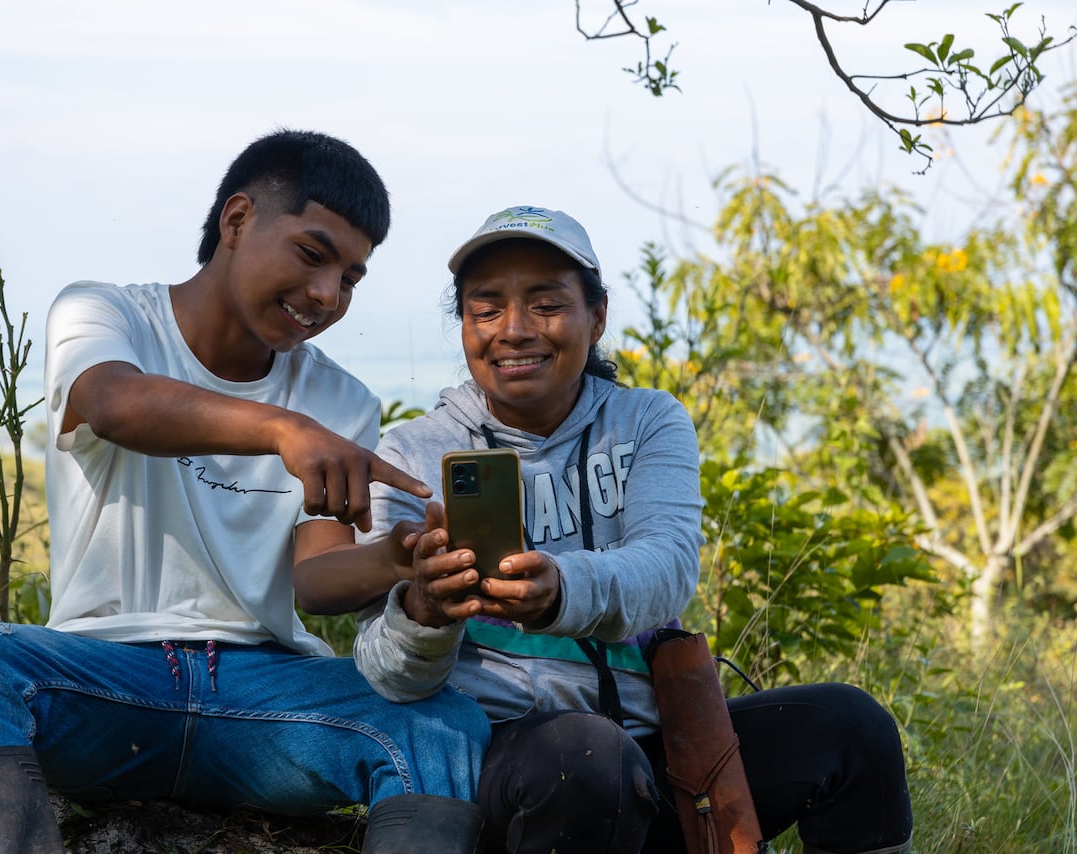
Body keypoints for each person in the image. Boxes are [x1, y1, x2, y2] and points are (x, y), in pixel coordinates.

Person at [0, 130, 490, 854]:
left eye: (350, 277)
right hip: (106, 686)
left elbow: (314, 578)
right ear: (237, 220)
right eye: (313, 255)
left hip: (265, 702)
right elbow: (115, 404)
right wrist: (283, 428)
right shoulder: (106, 313)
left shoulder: (342, 398)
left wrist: (402, 561)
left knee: (446, 724)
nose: (326, 294)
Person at [294, 204, 915, 854]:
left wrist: (563, 588)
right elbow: (392, 679)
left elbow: (667, 569)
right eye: (486, 308)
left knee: (852, 727)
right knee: (586, 757)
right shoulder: (415, 454)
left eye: (545, 304)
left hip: (659, 755)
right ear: (464, 327)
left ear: (597, 316)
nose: (513, 330)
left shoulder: (647, 421)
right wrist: (424, 609)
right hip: (514, 766)